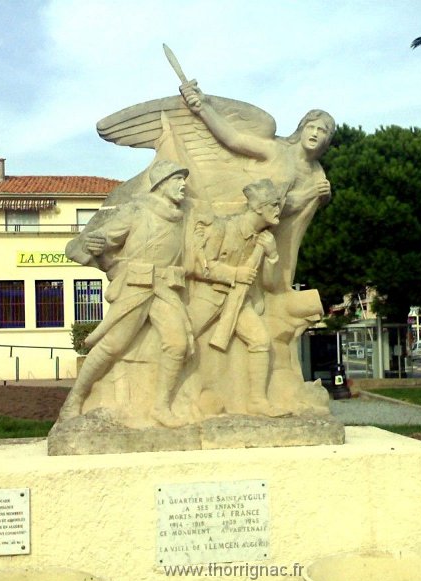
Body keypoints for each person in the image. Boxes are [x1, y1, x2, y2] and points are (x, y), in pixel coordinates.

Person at [58, 160, 194, 427]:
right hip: (136, 287)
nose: (183, 184)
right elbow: (106, 238)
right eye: (177, 179)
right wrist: (97, 242)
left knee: (178, 344)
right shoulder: (136, 211)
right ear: (162, 183)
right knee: (112, 345)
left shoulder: (180, 217)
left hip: (165, 289)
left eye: (183, 179)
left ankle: (161, 407)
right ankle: (74, 400)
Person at [180, 81, 335, 290]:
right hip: (235, 225)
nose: (315, 133)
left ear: (328, 138)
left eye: (322, 130)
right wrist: (202, 108)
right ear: (301, 129)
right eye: (311, 127)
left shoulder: (317, 173)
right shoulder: (278, 150)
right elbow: (234, 139)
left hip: (265, 241)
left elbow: (299, 212)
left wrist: (322, 197)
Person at [187, 178, 288, 417]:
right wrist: (235, 273)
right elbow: (199, 267)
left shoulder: (263, 240)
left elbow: (269, 283)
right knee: (181, 340)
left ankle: (257, 401)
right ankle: (171, 400)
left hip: (238, 302)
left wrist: (272, 256)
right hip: (209, 296)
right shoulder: (223, 228)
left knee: (260, 340)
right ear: (258, 207)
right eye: (274, 204)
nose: (278, 210)